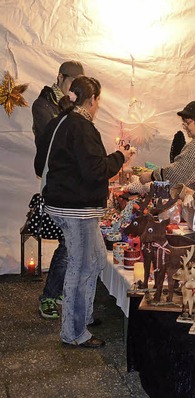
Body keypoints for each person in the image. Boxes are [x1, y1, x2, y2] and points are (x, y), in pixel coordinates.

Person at [34, 76, 134, 348]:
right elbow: (95, 171)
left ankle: (84, 316)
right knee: (79, 268)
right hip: (76, 209)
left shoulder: (59, 122)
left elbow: (39, 165)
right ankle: (74, 332)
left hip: (67, 205)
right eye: (99, 100)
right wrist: (120, 157)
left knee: (97, 260)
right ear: (92, 100)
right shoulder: (81, 127)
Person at [31, 60, 84, 319]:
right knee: (67, 242)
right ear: (60, 77)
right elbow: (51, 141)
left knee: (69, 242)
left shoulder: (71, 107)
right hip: (56, 182)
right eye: (72, 82)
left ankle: (57, 291)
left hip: (69, 182)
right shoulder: (43, 105)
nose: (74, 88)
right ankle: (49, 296)